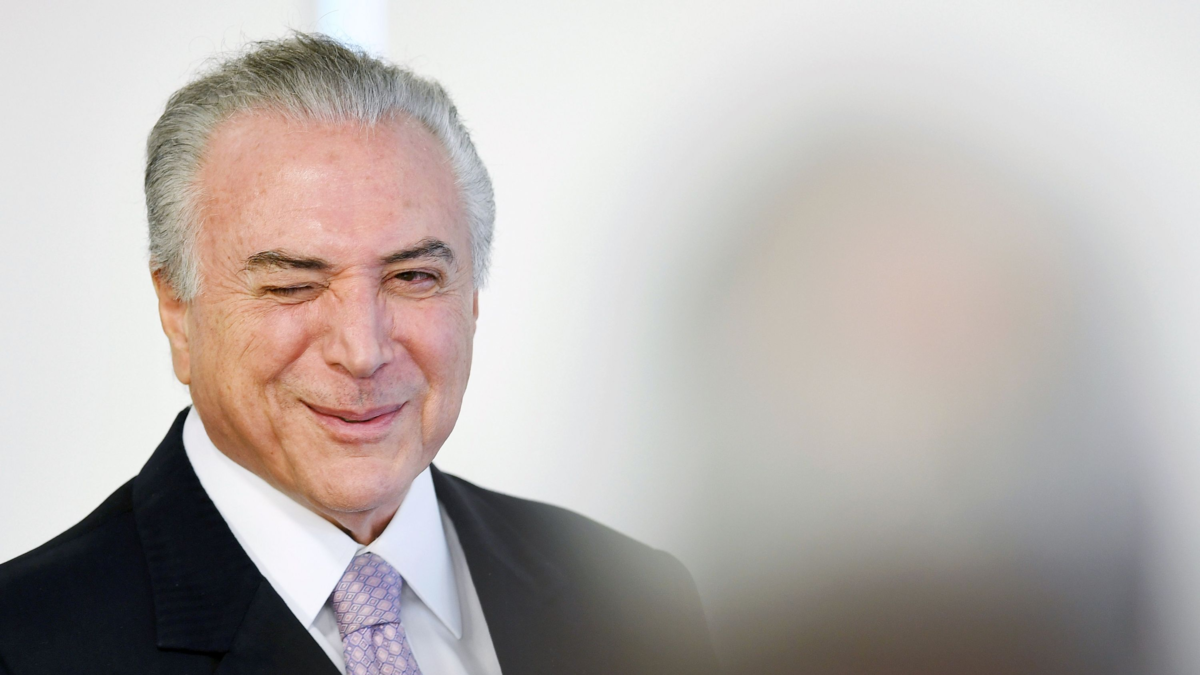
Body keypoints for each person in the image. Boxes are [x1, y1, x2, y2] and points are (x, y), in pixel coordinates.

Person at [0, 33, 716, 675]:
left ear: (472, 297)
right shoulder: (25, 645)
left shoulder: (638, 605)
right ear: (177, 312)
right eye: (293, 285)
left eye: (413, 277)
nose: (363, 350)